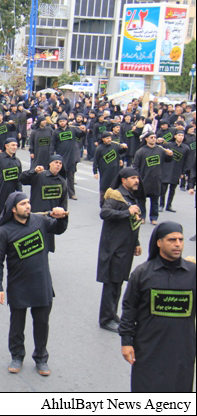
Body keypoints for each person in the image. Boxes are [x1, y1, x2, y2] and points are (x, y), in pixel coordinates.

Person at [0, 192, 68, 376]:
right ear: (13, 209)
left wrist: (62, 217)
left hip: (41, 284)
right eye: (23, 204)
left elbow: (58, 229)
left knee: (42, 324)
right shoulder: (3, 232)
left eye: (28, 203)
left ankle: (41, 358)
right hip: (19, 286)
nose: (28, 206)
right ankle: (17, 356)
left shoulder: (39, 221)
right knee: (17, 325)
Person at [119, 222, 195, 392]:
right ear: (159, 243)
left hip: (182, 351)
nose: (178, 244)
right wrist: (126, 341)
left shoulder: (193, 273)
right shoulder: (142, 273)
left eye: (181, 240)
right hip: (148, 349)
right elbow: (129, 309)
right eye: (172, 240)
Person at [96, 168, 143, 333]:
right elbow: (105, 213)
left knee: (118, 282)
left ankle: (113, 315)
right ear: (123, 180)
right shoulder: (115, 195)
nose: (136, 180)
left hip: (125, 248)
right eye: (133, 178)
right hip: (113, 248)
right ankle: (106, 319)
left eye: (137, 177)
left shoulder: (130, 196)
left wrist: (136, 242)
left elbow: (131, 223)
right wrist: (126, 211)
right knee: (111, 283)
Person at [19, 154, 68, 253]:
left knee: (45, 246)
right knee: (31, 245)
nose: (58, 165)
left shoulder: (62, 182)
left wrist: (61, 216)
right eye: (55, 162)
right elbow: (22, 179)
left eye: (60, 163)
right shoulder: (39, 176)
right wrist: (33, 171)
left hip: (50, 219)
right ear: (50, 164)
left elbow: (63, 202)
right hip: (36, 216)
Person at [132, 133, 174, 225]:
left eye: (155, 137)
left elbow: (168, 160)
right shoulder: (141, 151)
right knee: (141, 200)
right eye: (151, 137)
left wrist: (170, 155)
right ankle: (142, 216)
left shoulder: (160, 150)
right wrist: (136, 179)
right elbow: (135, 167)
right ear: (146, 139)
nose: (154, 139)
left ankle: (154, 218)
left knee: (155, 200)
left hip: (156, 180)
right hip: (144, 180)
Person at [50, 115, 86, 200]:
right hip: (61, 156)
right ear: (58, 123)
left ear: (66, 121)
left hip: (71, 156)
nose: (62, 123)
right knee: (60, 176)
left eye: (63, 121)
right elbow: (52, 144)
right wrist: (51, 155)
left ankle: (71, 194)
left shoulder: (72, 129)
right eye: (60, 121)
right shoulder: (56, 132)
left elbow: (80, 135)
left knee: (71, 176)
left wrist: (84, 131)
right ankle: (60, 193)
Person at [93, 132, 128, 206]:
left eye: (110, 138)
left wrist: (124, 148)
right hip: (105, 171)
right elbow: (95, 161)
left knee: (116, 188)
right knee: (104, 188)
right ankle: (103, 204)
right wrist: (95, 172)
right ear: (103, 139)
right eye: (107, 138)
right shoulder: (99, 148)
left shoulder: (115, 145)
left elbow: (120, 152)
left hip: (115, 171)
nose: (109, 140)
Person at [160, 130, 189, 212]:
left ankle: (169, 205)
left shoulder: (186, 148)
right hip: (166, 169)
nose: (181, 137)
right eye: (179, 135)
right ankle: (161, 204)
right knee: (163, 188)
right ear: (175, 136)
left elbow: (185, 161)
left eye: (182, 136)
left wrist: (183, 172)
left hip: (177, 170)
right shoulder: (169, 145)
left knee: (172, 189)